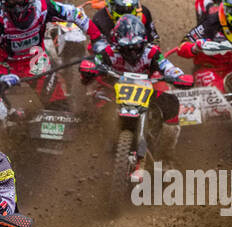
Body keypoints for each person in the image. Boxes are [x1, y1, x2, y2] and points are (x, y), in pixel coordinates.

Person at [0, 0, 88, 126]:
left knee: (59, 106)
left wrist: (93, 33)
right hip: (7, 61)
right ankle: (7, 123)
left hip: (37, 53)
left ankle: (62, 112)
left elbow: (75, 7)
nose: (17, 5)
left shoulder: (46, 1)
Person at [80, 14, 193, 154]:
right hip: (115, 91)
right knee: (94, 104)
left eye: (136, 47)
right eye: (126, 48)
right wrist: (90, 67)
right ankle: (91, 145)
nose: (132, 52)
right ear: (117, 44)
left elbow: (167, 66)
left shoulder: (151, 53)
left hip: (145, 90)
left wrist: (178, 76)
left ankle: (165, 152)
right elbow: (94, 62)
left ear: (144, 41)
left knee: (171, 102)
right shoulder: (110, 52)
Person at [86, 0, 160, 53]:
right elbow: (95, 49)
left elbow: (154, 40)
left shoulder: (143, 13)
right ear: (110, 4)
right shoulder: (100, 19)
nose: (126, 12)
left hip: (141, 56)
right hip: (111, 57)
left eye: (130, 8)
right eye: (121, 9)